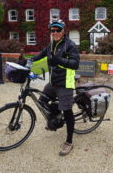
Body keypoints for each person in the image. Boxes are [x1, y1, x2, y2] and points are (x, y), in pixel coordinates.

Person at [28, 18, 80, 156]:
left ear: (64, 31)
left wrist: (58, 61)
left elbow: (75, 64)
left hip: (65, 83)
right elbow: (41, 54)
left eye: (58, 30)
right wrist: (29, 60)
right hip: (53, 81)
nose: (55, 32)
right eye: (53, 30)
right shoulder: (52, 44)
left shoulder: (70, 45)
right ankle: (56, 117)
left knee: (67, 111)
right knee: (42, 101)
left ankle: (69, 142)